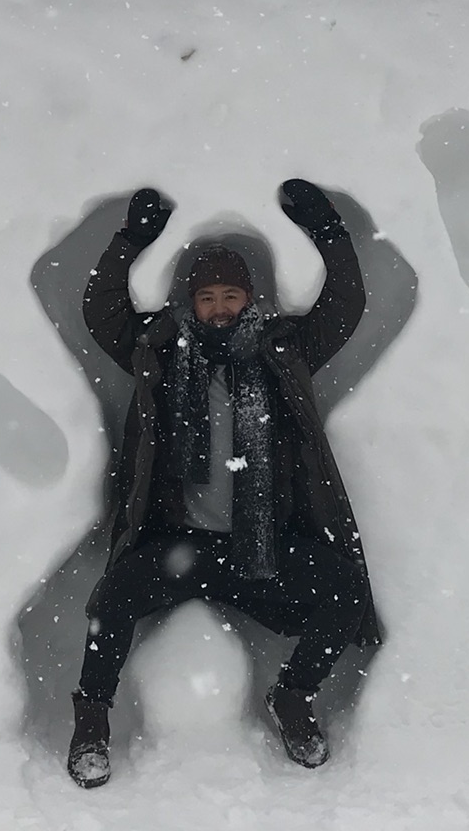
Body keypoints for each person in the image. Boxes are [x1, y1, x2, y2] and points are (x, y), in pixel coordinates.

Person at [65, 179, 382, 788]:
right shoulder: (159, 350)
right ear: (190, 301)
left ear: (250, 299)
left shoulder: (281, 352)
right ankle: (91, 723)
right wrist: (132, 239)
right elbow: (101, 312)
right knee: (110, 601)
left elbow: (343, 307)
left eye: (231, 295)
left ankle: (294, 698)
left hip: (255, 548)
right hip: (178, 545)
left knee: (344, 589)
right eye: (207, 296)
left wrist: (328, 232)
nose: (219, 307)